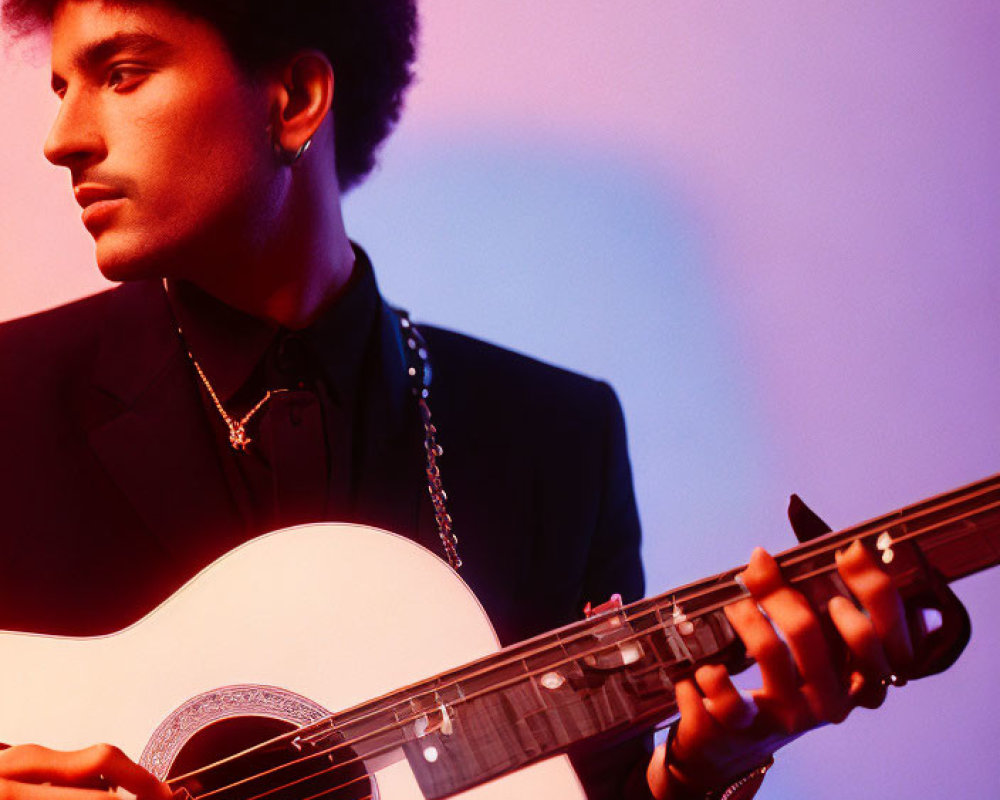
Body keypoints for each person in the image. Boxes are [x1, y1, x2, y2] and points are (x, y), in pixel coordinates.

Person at [0, 1, 921, 798]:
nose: (62, 139)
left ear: (294, 100)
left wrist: (702, 765)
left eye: (119, 74)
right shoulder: (12, 403)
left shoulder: (557, 441)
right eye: (61, 88)